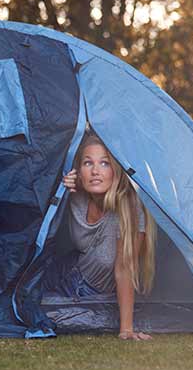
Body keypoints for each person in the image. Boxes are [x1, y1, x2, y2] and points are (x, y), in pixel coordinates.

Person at [59, 134, 156, 340]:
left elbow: (124, 269)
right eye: (88, 163)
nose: (95, 171)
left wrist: (126, 329)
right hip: (66, 269)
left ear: (117, 171)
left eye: (105, 163)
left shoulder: (129, 208)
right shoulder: (74, 190)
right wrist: (58, 185)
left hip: (87, 286)